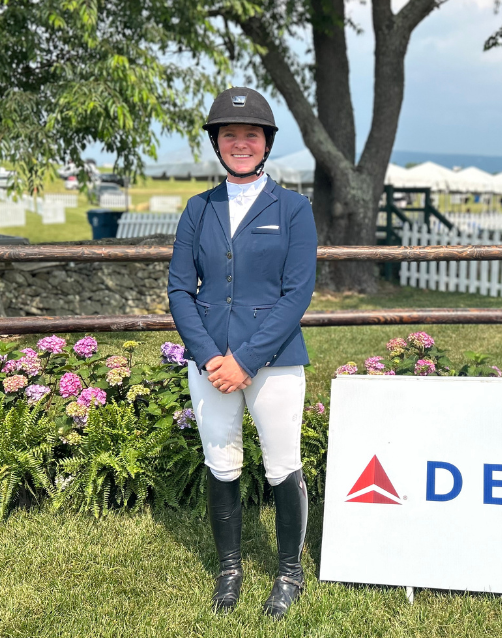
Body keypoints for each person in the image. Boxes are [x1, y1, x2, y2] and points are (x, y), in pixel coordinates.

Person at [166, 87, 318, 619]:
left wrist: (246, 360)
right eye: (229, 135)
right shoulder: (198, 209)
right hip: (208, 358)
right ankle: (229, 569)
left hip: (272, 357)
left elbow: (296, 293)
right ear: (216, 142)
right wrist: (209, 356)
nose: (240, 143)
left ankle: (288, 572)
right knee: (221, 462)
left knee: (281, 464)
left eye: (250, 135)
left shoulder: (294, 209)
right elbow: (180, 289)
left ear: (266, 142)